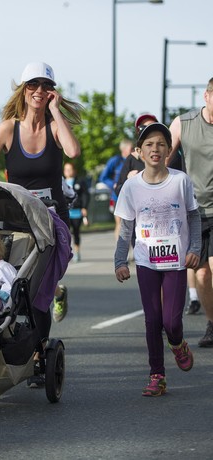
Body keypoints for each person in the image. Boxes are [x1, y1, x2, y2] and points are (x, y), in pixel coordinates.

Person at [0, 61, 81, 385]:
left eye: (45, 86)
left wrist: (57, 111)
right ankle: (3, 338)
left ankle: (39, 350)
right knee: (14, 283)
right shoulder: (8, 129)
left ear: (52, 92)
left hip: (51, 219)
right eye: (32, 85)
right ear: (23, 89)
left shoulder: (54, 127)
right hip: (16, 219)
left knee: (37, 291)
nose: (39, 91)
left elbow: (73, 151)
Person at [114, 123, 201, 397]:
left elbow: (194, 216)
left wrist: (195, 248)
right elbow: (126, 227)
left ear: (168, 151)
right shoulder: (131, 186)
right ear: (139, 152)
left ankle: (178, 343)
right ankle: (157, 375)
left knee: (171, 322)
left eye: (161, 144)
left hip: (176, 262)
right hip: (146, 260)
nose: (155, 149)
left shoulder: (180, 180)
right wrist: (120, 261)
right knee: (152, 320)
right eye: (149, 144)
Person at [168, 77, 213, 346]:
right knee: (202, 273)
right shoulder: (184, 123)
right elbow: (162, 158)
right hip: (194, 209)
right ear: (206, 96)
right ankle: (212, 323)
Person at [99, 138, 133, 240]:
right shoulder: (115, 161)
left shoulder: (135, 160)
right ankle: (120, 251)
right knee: (120, 223)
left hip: (132, 197)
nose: (133, 151)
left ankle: (132, 250)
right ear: (124, 149)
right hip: (117, 197)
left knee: (131, 224)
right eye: (131, 149)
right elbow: (103, 177)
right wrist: (114, 184)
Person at [63, 162, 89, 262]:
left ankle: (77, 251)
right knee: (65, 232)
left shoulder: (80, 182)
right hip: (66, 212)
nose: (68, 172)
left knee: (76, 232)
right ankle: (66, 252)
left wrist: (84, 207)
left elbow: (85, 195)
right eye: (66, 169)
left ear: (74, 170)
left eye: (70, 169)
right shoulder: (61, 182)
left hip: (77, 212)